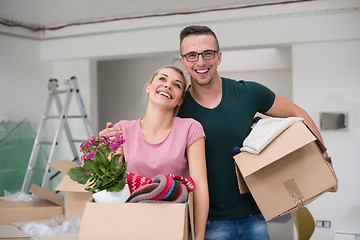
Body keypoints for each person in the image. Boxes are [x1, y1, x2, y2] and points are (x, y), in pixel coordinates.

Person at [177, 25, 338, 240]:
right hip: (210, 223)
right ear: (182, 61)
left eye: (208, 53)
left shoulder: (247, 92)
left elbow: (296, 112)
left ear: (219, 57)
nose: (200, 62)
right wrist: (115, 135)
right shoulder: (177, 109)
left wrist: (325, 159)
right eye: (191, 55)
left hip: (256, 217)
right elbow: (147, 136)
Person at [99, 66, 209, 240]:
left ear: (180, 100)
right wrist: (104, 151)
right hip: (132, 224)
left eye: (177, 85)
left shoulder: (190, 128)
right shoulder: (122, 129)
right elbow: (112, 184)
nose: (168, 86)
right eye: (162, 79)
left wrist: (199, 236)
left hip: (173, 224)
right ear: (149, 87)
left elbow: (200, 185)